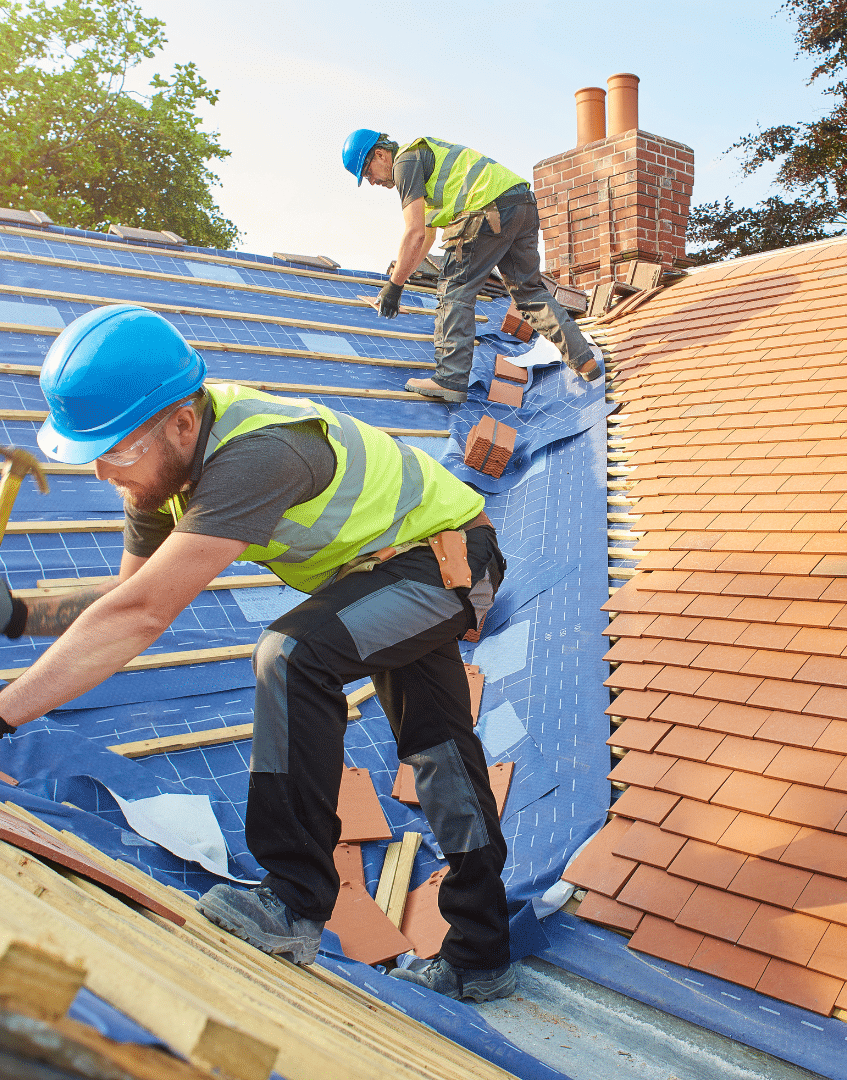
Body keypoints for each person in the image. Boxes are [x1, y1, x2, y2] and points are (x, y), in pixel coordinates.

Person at [0, 303, 516, 1002]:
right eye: (94, 454)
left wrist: (4, 714)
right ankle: (481, 953)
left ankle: (293, 901)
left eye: (116, 452)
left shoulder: (259, 453)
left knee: (293, 653)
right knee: (439, 750)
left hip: (453, 561)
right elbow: (127, 600)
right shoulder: (155, 475)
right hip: (384, 574)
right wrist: (21, 616)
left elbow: (143, 617)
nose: (102, 475)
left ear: (183, 422)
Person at [342, 128, 601, 403]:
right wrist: (399, 282)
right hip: (521, 204)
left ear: (381, 154)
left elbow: (413, 232)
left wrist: (393, 287)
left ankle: (449, 378)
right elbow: (425, 237)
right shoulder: (425, 166)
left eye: (368, 172)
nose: (371, 182)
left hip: (487, 209)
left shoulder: (405, 163)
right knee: (529, 293)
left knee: (454, 289)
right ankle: (584, 360)